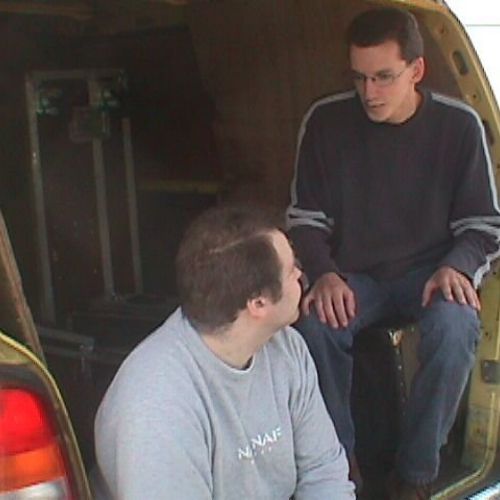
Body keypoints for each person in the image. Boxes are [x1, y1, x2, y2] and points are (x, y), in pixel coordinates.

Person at [287, 6, 500, 499]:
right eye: (359, 77)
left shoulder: (459, 126)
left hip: (430, 274)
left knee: (455, 326)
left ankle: (416, 473)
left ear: (417, 70)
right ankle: (338, 465)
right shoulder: (325, 120)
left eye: (384, 77)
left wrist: (457, 267)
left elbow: (484, 225)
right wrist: (323, 273)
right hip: (353, 276)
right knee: (315, 325)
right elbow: (305, 218)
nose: (370, 92)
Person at [94, 205, 355, 499]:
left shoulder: (287, 348)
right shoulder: (157, 405)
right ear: (258, 303)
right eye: (290, 269)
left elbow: (323, 471)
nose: (300, 274)